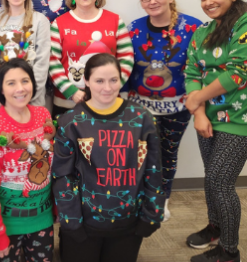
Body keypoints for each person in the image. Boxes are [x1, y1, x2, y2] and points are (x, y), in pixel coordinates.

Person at [52, 53, 164, 262]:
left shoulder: (142, 119)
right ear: (86, 81)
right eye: (99, 80)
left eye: (114, 80)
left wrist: (152, 214)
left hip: (129, 224)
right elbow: (63, 176)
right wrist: (71, 222)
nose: (107, 87)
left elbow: (153, 170)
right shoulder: (71, 122)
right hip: (83, 226)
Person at [122, 0, 202, 221]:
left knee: (167, 153)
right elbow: (124, 65)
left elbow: (201, 67)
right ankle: (139, 197)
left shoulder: (193, 27)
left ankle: (162, 200)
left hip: (177, 107)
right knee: (140, 153)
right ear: (142, 2)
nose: (153, 1)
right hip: (139, 107)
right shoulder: (133, 28)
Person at [184, 0, 247, 262]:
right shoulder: (202, 32)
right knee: (212, 180)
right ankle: (215, 228)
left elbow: (239, 71)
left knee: (221, 183)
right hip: (207, 120)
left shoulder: (244, 24)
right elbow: (192, 73)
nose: (209, 2)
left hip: (239, 120)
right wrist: (198, 113)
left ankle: (229, 252)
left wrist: (197, 98)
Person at [0, 58, 55, 262]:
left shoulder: (43, 115)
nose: (20, 88)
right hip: (8, 226)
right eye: (11, 83)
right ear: (1, 89)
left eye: (25, 81)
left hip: (42, 220)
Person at [49, 0, 134, 120]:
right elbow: (52, 62)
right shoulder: (58, 24)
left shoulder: (115, 21)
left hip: (107, 102)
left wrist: (110, 88)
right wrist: (72, 92)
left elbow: (126, 58)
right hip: (67, 103)